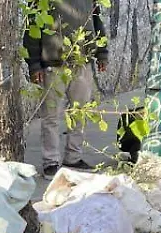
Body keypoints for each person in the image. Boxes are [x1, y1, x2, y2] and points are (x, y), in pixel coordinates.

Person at [24, 2, 110, 177]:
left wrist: (102, 53)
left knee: (80, 112)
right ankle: (51, 162)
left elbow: (96, 21)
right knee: (51, 116)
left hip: (82, 62)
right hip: (52, 65)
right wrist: (34, 65)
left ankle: (73, 157)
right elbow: (31, 29)